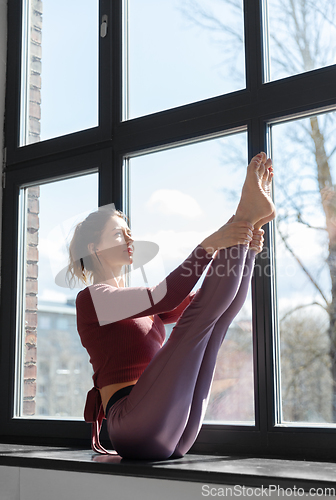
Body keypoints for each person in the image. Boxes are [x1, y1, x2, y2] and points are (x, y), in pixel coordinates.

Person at [68, 152, 275, 460]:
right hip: (131, 422)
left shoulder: (133, 302)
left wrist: (243, 249)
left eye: (128, 231)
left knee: (218, 319)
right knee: (199, 321)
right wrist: (210, 245)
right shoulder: (92, 299)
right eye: (117, 233)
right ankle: (245, 214)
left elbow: (203, 300)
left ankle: (246, 220)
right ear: (94, 248)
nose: (129, 237)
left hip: (170, 426)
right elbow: (166, 296)